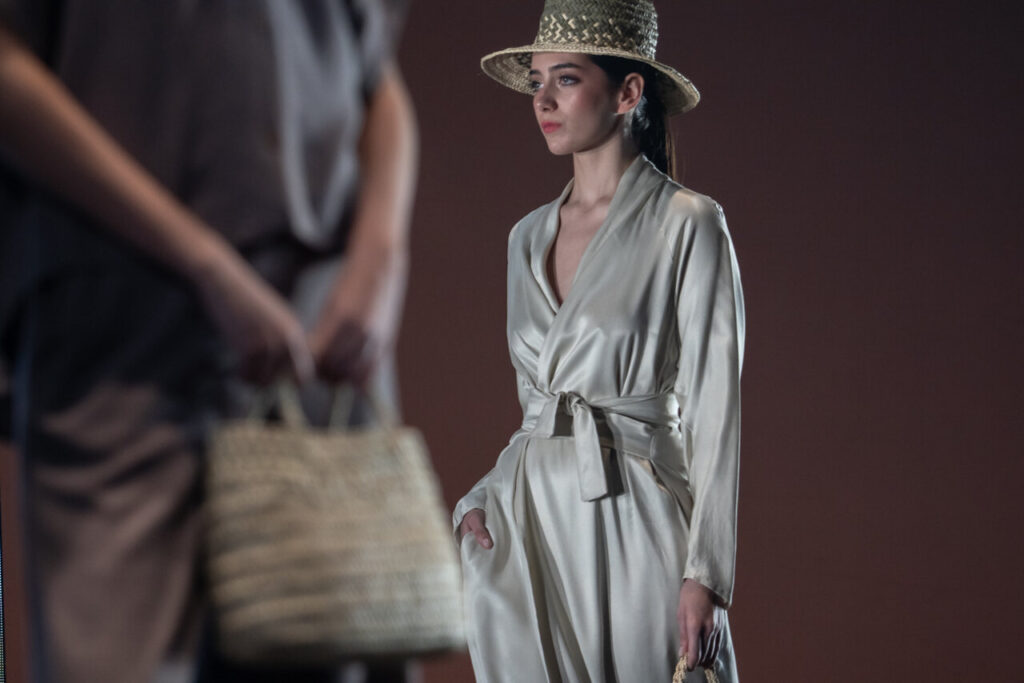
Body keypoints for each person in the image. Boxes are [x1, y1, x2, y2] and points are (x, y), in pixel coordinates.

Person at [0, 1, 417, 682]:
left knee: (331, 649)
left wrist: (383, 256)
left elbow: (376, 76)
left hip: (320, 331)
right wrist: (201, 260)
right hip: (119, 322)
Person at [453, 1, 745, 681]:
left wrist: (708, 576)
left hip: (634, 514)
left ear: (629, 92)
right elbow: (536, 409)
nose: (543, 101)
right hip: (531, 523)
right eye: (536, 83)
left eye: (566, 79)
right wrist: (480, 499)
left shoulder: (688, 225)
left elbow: (716, 412)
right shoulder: (525, 238)